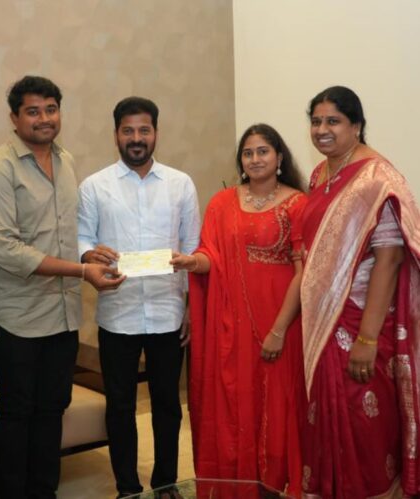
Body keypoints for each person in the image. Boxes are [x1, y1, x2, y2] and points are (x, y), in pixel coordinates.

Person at [0, 75, 124, 499]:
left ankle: (44, 492)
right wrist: (81, 271)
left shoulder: (66, 160)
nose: (44, 119)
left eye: (51, 109)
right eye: (33, 111)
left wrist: (88, 254)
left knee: (53, 408)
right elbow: (8, 251)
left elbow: (65, 232)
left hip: (62, 313)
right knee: (17, 410)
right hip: (17, 317)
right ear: (14, 118)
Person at [172, 123, 307, 495]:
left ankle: (275, 485)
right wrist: (191, 262)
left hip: (282, 319)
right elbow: (210, 255)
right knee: (234, 402)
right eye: (248, 153)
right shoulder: (222, 203)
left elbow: (304, 273)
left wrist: (279, 330)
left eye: (263, 151)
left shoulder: (298, 203)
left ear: (279, 157)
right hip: (232, 322)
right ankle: (239, 484)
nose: (255, 159)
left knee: (278, 405)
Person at [299, 86, 420, 498]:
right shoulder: (320, 174)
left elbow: (389, 259)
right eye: (316, 121)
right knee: (324, 418)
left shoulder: (377, 179)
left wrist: (367, 339)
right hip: (322, 322)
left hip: (360, 320)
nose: (322, 129)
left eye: (333, 121)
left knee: (364, 422)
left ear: (357, 125)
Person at [78, 96, 200, 498]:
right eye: (128, 130)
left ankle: (166, 483)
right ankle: (127, 488)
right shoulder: (94, 186)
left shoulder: (180, 184)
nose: (136, 138)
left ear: (156, 133)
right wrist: (89, 255)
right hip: (118, 314)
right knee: (120, 406)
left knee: (167, 404)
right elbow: (82, 239)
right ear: (116, 135)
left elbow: (193, 247)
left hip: (168, 312)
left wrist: (190, 307)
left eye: (143, 130)